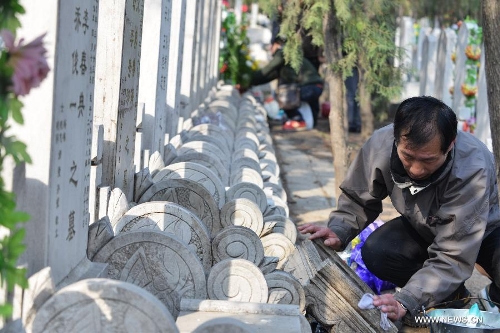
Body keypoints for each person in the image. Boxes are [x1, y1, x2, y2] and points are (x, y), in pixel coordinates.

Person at [298, 96, 500, 326]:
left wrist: (406, 299)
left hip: (479, 232)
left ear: (451, 144)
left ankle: (492, 301)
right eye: (407, 156)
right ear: (396, 139)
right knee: (378, 251)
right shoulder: (381, 144)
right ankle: (453, 300)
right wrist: (338, 229)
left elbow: (453, 254)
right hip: (423, 227)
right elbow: (358, 198)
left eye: (427, 160)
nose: (415, 170)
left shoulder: (472, 169)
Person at [250, 37, 323, 130]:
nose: (270, 50)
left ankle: (298, 120)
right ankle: (311, 124)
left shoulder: (282, 54)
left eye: (271, 46)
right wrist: (252, 82)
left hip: (308, 88)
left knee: (284, 98)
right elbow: (270, 76)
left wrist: (249, 79)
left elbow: (267, 70)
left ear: (276, 44)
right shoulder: (291, 56)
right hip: (317, 86)